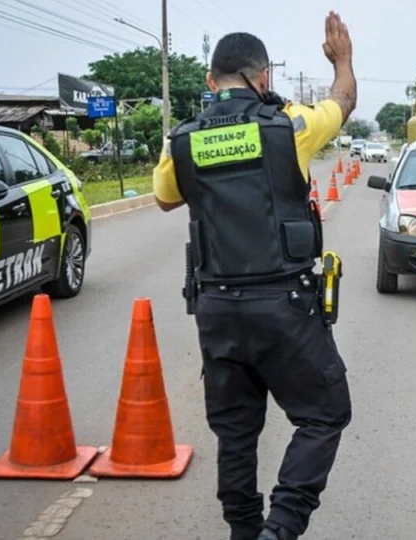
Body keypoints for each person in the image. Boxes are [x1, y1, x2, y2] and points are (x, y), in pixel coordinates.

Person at [151, 11, 357, 540]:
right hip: (283, 305)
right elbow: (345, 100)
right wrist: (343, 61)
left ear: (209, 81)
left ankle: (244, 531)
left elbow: (165, 199)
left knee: (236, 433)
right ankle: (280, 529)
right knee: (325, 413)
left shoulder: (183, 139)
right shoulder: (292, 125)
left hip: (217, 310)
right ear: (263, 77)